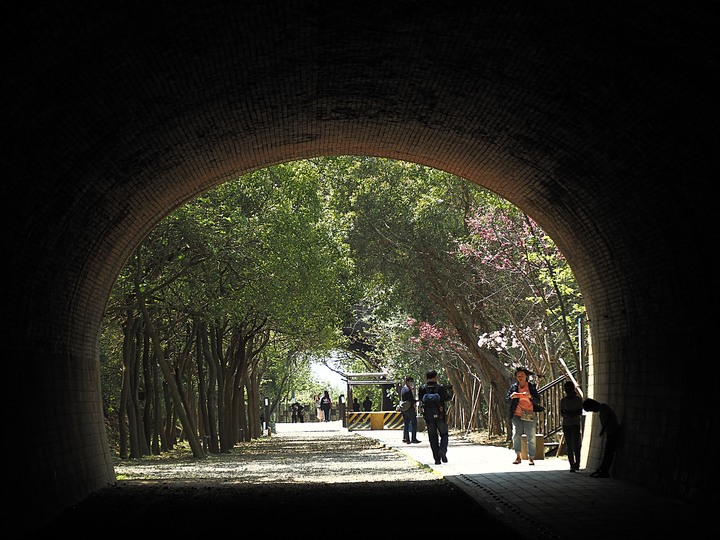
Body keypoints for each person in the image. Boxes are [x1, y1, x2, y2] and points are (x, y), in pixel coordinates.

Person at [505, 367, 542, 465]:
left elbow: (537, 401)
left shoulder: (531, 387)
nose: (520, 377)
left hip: (529, 414)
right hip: (516, 414)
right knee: (516, 435)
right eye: (518, 376)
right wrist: (512, 397)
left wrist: (529, 396)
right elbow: (507, 400)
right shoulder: (513, 387)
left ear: (526, 376)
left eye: (522, 375)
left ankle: (531, 457)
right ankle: (518, 456)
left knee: (531, 437)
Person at [418, 369, 453, 464]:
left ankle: (437, 459)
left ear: (426, 378)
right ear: (435, 377)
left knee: (433, 438)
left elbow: (421, 400)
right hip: (440, 415)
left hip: (428, 417)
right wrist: (450, 389)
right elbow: (448, 398)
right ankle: (442, 451)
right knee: (444, 434)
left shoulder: (422, 388)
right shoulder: (441, 388)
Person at [583, 398, 620, 478]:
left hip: (613, 432)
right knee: (607, 452)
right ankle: (602, 469)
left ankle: (604, 470)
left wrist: (603, 429)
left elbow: (609, 418)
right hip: (610, 432)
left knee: (609, 452)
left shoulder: (603, 407)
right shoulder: (602, 408)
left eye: (591, 409)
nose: (592, 411)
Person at [560, 381, 584, 472]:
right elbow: (562, 413)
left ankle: (577, 463)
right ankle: (572, 464)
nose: (567, 391)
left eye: (569, 389)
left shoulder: (578, 400)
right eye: (566, 389)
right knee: (569, 445)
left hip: (575, 424)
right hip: (567, 424)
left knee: (576, 444)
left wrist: (569, 413)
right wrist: (571, 413)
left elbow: (579, 412)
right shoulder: (563, 400)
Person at [400, 376, 421, 444]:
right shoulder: (408, 390)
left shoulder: (403, 389)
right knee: (414, 422)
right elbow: (411, 400)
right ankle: (413, 438)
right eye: (410, 382)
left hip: (404, 408)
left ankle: (406, 438)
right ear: (407, 382)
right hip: (409, 408)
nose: (411, 383)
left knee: (406, 423)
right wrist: (416, 401)